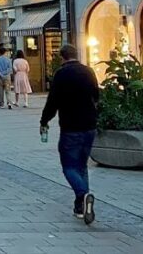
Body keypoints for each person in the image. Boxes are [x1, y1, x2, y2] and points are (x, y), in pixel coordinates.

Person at [40, 43, 100, 225]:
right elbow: (96, 96)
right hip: (89, 125)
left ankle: (83, 194)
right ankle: (80, 207)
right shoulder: (88, 71)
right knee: (81, 166)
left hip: (70, 126)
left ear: (62, 57)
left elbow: (53, 101)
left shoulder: (61, 74)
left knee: (69, 167)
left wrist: (44, 121)